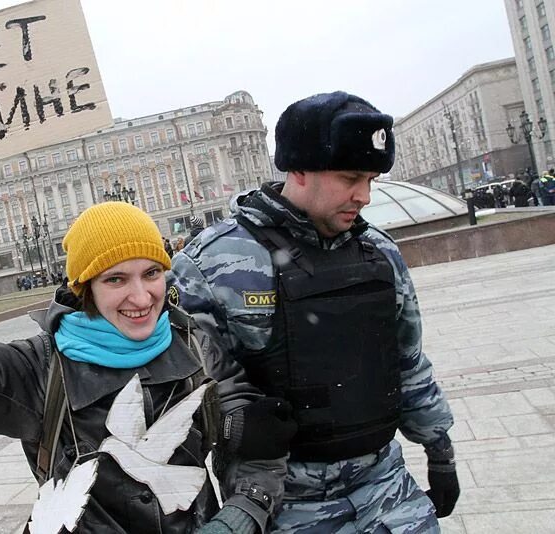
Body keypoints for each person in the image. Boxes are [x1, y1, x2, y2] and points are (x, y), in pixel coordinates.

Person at [0, 101, 292, 533]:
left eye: (151, 273)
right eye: (115, 280)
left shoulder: (195, 344)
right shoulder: (40, 368)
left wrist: (244, 510)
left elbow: (257, 440)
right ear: (83, 288)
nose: (141, 296)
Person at [170, 91, 459, 533]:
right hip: (285, 506)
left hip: (387, 492)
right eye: (349, 178)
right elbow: (180, 396)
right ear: (298, 169)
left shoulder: (379, 252)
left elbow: (407, 362)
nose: (363, 195)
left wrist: (440, 452)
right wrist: (233, 426)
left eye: (371, 180)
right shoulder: (212, 267)